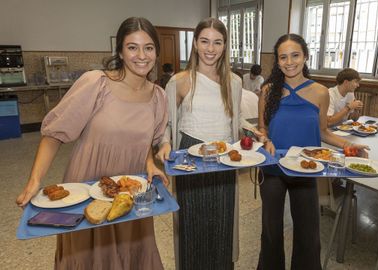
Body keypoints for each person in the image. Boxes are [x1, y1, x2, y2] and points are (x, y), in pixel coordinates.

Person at [15, 17, 169, 269]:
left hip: (129, 192)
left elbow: (143, 144)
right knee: (90, 256)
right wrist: (34, 182)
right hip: (88, 184)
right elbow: (54, 134)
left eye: (148, 47)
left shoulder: (158, 97)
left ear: (156, 52)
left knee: (130, 250)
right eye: (132, 47)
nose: (142, 55)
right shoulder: (96, 83)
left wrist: (150, 165)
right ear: (120, 50)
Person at [257, 33, 369, 270]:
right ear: (277, 62)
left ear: (305, 56)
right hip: (272, 168)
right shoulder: (268, 91)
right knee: (271, 231)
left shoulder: (319, 92)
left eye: (295, 55)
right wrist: (265, 139)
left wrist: (349, 146)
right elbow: (262, 129)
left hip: (306, 170)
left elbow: (324, 132)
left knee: (308, 233)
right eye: (283, 57)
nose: (289, 62)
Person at [156, 17, 258, 270]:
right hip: (191, 156)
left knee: (222, 220)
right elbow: (166, 122)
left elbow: (236, 116)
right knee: (193, 222)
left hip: (224, 155)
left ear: (225, 46)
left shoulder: (234, 81)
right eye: (205, 41)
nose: (210, 49)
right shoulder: (179, 81)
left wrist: (254, 130)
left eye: (217, 42)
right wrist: (165, 143)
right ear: (195, 43)